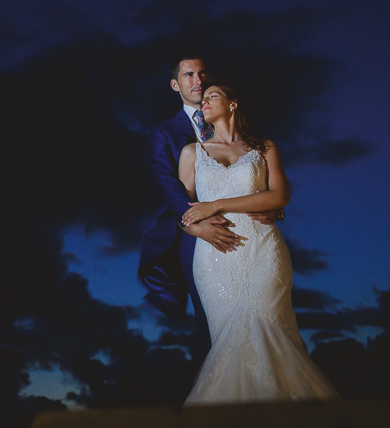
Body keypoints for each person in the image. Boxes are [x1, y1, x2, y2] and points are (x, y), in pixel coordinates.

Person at [179, 82, 338, 403]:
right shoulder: (192, 152)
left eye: (213, 96)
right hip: (214, 256)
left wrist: (217, 204)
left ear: (233, 104)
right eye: (203, 98)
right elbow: (180, 209)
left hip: (262, 250)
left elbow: (279, 196)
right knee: (229, 341)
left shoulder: (264, 148)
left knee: (269, 330)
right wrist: (197, 226)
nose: (204, 101)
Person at [138, 54, 274, 360]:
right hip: (194, 232)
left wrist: (276, 208)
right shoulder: (164, 131)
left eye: (202, 73)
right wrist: (193, 223)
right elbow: (166, 181)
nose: (198, 81)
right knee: (212, 320)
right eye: (188, 75)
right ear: (175, 84)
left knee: (262, 315)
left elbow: (260, 177)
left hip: (252, 233)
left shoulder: (235, 121)